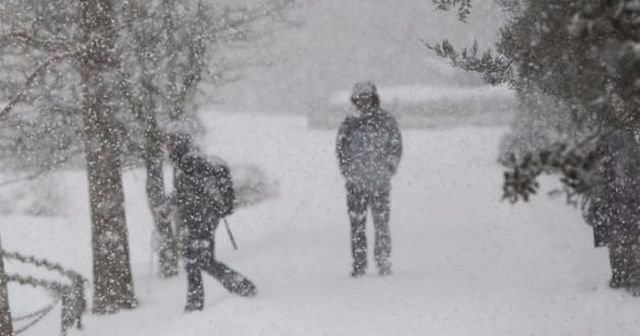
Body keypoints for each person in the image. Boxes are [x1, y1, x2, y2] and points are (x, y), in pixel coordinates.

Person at [164, 132, 257, 312]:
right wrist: (170, 205)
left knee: (193, 261)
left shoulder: (189, 163)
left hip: (199, 219)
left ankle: (195, 304)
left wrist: (170, 205)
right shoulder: (193, 162)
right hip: (206, 218)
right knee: (204, 261)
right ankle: (242, 286)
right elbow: (186, 193)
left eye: (170, 145)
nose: (167, 149)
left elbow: (187, 194)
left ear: (178, 146)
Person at [335, 81, 403, 277]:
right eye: (361, 97)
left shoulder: (386, 120)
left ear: (374, 98)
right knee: (357, 225)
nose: (364, 100)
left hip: (380, 182)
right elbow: (340, 150)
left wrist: (388, 167)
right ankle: (359, 263)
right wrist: (348, 170)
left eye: (367, 97)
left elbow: (395, 146)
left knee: (381, 224)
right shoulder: (349, 123)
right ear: (355, 99)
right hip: (355, 183)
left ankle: (383, 261)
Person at [585, 127, 640, 295]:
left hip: (620, 198)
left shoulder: (608, 139)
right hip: (623, 198)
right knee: (625, 236)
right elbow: (599, 171)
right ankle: (626, 273)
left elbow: (599, 172)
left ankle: (624, 273)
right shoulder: (611, 140)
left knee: (620, 236)